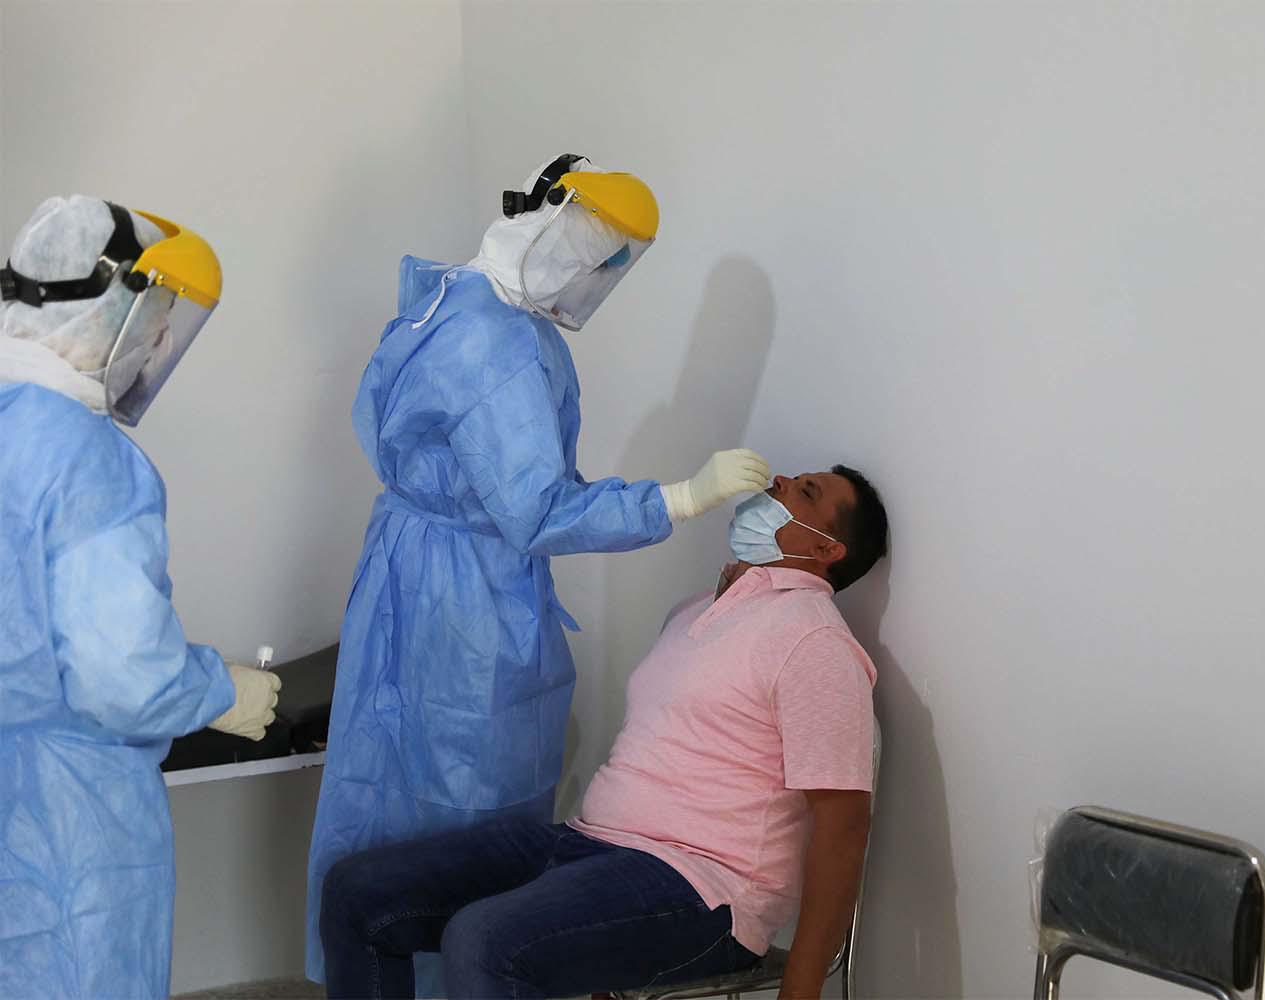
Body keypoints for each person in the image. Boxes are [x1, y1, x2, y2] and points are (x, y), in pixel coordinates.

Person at [305, 155, 771, 985]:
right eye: (600, 254)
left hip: (411, 575)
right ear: (557, 229)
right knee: (463, 823)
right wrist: (678, 498)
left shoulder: (452, 299)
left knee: (388, 801)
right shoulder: (504, 350)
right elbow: (538, 510)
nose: (600, 277)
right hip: (469, 605)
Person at [319, 467, 890, 999]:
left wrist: (801, 989)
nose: (783, 480)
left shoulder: (816, 645)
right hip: (589, 844)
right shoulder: (696, 610)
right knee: (358, 892)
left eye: (808, 492)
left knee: (483, 941)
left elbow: (843, 827)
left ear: (825, 549)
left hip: (703, 891)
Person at [0, 195, 281, 1000]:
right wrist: (220, 690)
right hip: (70, 818)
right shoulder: (88, 460)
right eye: (156, 314)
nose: (161, 338)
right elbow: (122, 673)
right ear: (111, 307)